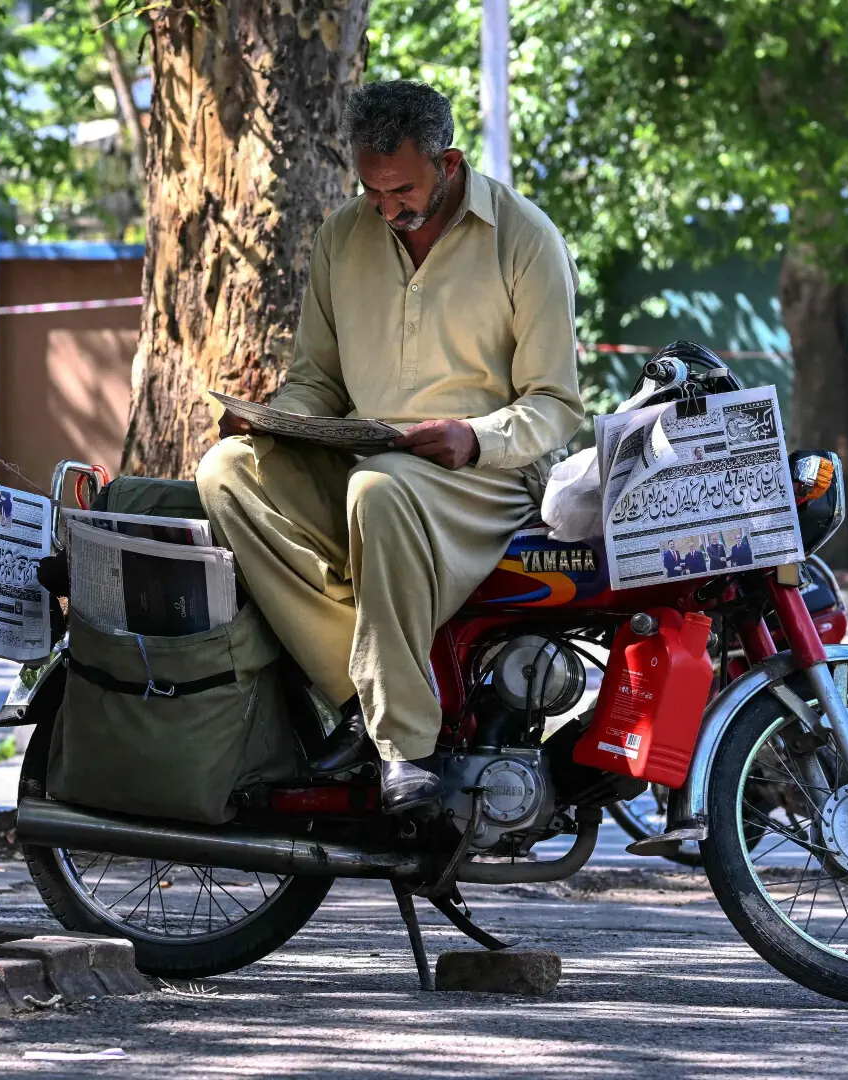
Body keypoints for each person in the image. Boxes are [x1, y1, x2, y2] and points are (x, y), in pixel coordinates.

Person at [196, 80, 582, 814]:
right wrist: (277, 420)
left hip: (485, 475)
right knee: (226, 473)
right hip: (365, 462)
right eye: (370, 191)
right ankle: (357, 692)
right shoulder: (343, 237)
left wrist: (475, 438)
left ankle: (407, 747)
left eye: (401, 188)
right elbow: (316, 380)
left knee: (380, 488)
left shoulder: (526, 240)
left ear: (449, 163)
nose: (385, 208)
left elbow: (555, 406)